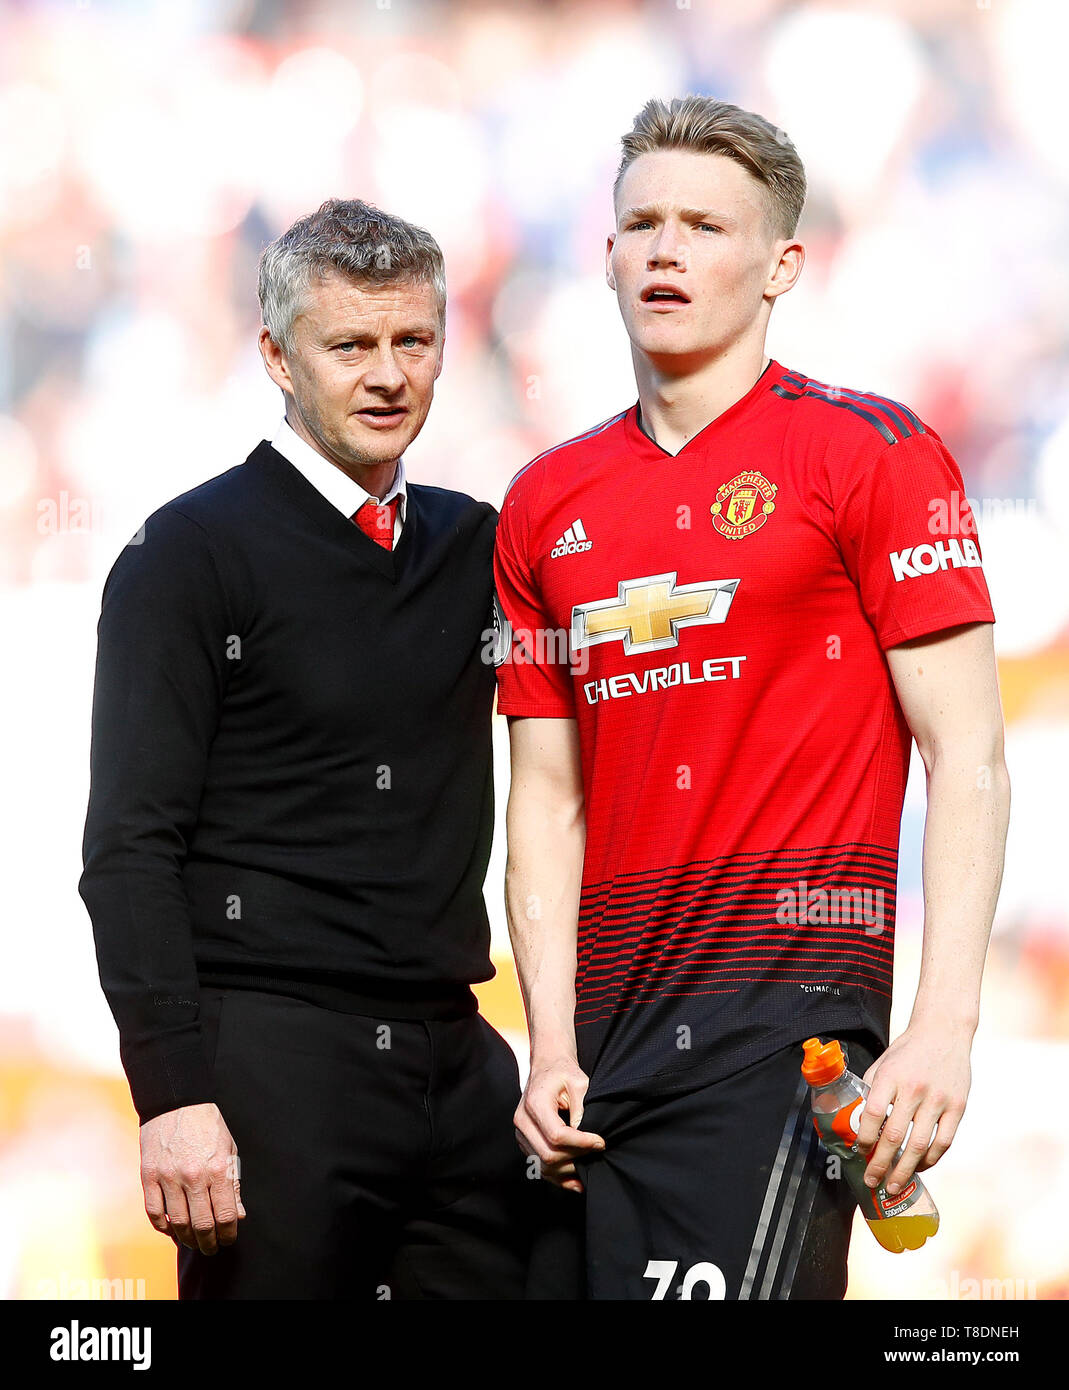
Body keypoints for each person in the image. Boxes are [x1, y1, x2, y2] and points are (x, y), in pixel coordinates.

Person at [494, 96, 1010, 1300]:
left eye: (704, 226)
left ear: (781, 264)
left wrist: (943, 1029)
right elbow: (546, 800)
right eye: (642, 223)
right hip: (604, 1042)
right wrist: (550, 1040)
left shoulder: (873, 455)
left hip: (787, 1020)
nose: (665, 249)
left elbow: (970, 756)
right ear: (607, 251)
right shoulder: (543, 503)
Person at [79, 198, 528, 1300]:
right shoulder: (185, 555)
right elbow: (129, 846)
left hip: (457, 1064)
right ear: (278, 356)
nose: (386, 374)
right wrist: (173, 1092)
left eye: (412, 341)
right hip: (270, 1075)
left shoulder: (478, 543)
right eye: (351, 345)